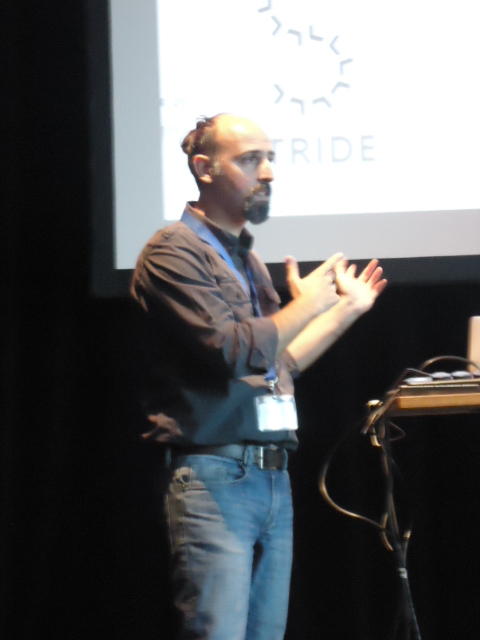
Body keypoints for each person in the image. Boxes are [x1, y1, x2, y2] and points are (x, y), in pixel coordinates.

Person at [130, 113, 387, 640]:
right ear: (204, 168)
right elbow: (231, 350)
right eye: (250, 160)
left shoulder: (247, 260)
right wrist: (306, 304)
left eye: (269, 159)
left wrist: (344, 310)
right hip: (215, 478)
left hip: (270, 478)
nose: (267, 172)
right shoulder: (172, 252)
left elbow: (279, 362)